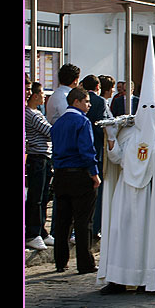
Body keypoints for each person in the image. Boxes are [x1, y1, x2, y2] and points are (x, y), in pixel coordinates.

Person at [98, 31, 155, 295]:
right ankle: (118, 278)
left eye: (152, 109)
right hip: (128, 194)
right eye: (143, 109)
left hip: (154, 197)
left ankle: (154, 278)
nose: (147, 114)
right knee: (123, 235)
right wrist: (112, 138)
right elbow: (115, 159)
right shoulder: (129, 131)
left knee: (151, 238)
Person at [50, 87, 100, 274]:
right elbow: (87, 150)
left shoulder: (58, 123)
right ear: (76, 101)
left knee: (62, 220)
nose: (89, 105)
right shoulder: (82, 121)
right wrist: (94, 173)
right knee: (83, 220)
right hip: (79, 173)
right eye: (86, 101)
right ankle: (85, 262)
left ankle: (60, 260)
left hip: (61, 174)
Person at [25, 82, 54, 250]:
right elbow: (49, 131)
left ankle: (42, 230)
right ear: (36, 95)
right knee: (36, 197)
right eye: (42, 93)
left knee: (43, 197)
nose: (44, 96)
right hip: (37, 157)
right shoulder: (30, 114)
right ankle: (32, 232)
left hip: (45, 156)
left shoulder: (38, 112)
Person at [83, 74, 112, 240]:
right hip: (97, 151)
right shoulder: (100, 101)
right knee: (97, 193)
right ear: (97, 87)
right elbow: (104, 126)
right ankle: (95, 227)